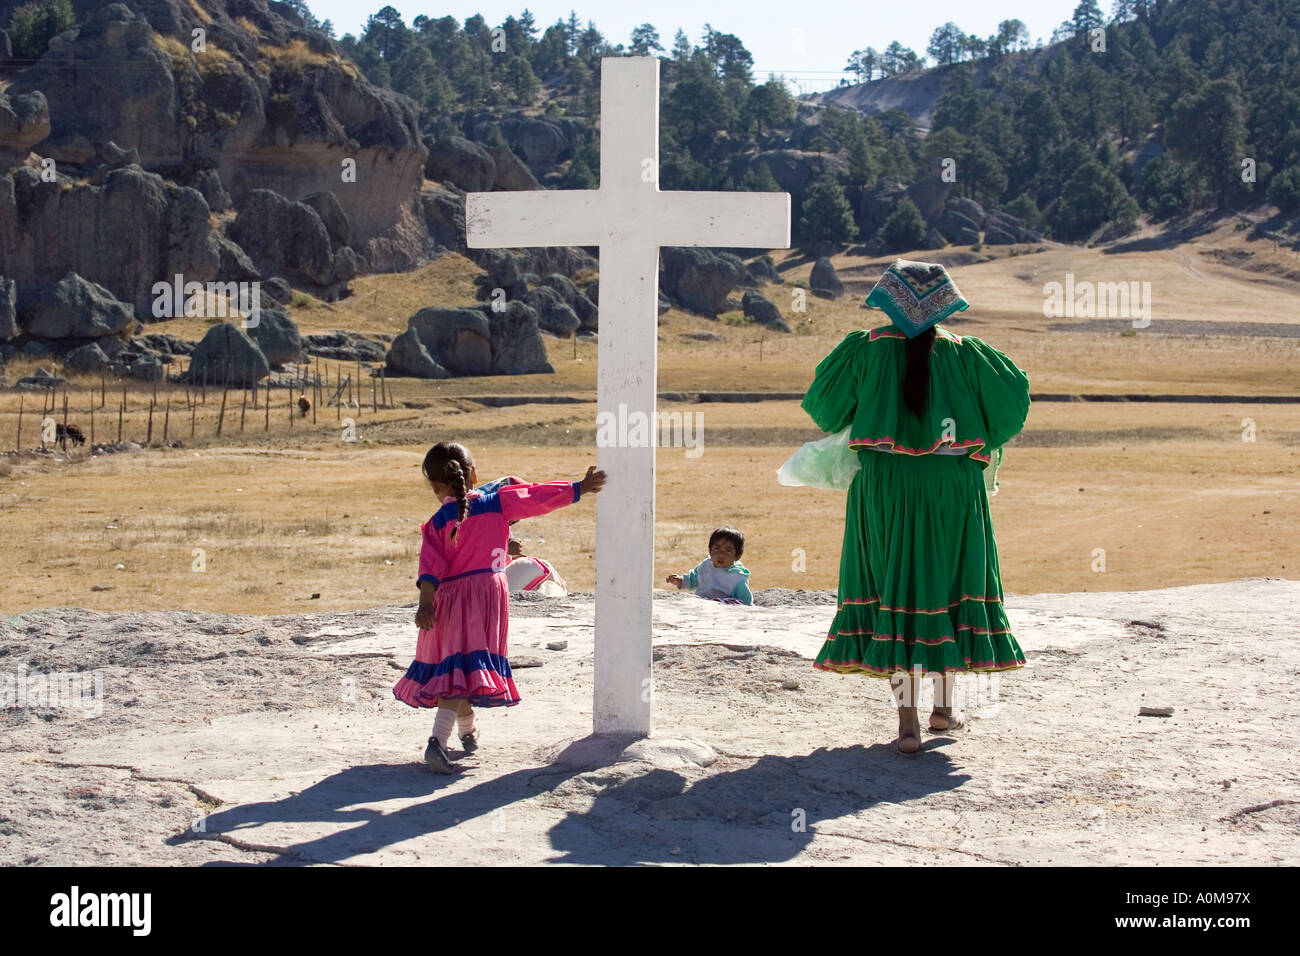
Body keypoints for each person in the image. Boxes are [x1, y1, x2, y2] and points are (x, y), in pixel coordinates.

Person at [800, 259, 1030, 754]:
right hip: (952, 485)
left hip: (885, 486)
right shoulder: (970, 355)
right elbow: (1010, 412)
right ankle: (943, 709)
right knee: (946, 588)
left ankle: (907, 725)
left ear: (887, 299)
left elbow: (824, 408)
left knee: (895, 592)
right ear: (944, 303)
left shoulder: (864, 352)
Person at [393, 441, 606, 773]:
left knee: (456, 668)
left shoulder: (436, 523)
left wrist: (425, 604)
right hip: (486, 598)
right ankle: (438, 741)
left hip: (449, 602)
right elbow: (536, 496)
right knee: (461, 671)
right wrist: (578, 488)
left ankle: (467, 730)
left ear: (435, 487)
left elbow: (430, 567)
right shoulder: (498, 504)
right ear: (473, 474)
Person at [666, 527, 753, 605]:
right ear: (710, 551)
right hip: (701, 605)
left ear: (737, 555)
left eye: (728, 550)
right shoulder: (706, 565)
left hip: (723, 611)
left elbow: (746, 602)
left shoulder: (737, 578)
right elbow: (693, 579)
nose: (721, 554)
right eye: (717, 549)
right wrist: (681, 581)